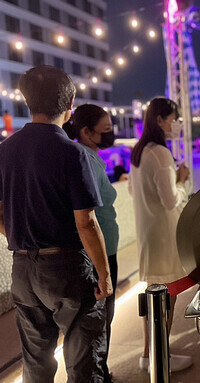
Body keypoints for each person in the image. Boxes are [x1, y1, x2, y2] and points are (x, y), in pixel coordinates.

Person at [0, 65, 112, 382]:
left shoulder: (4, 150)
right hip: (66, 269)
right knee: (83, 362)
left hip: (23, 269)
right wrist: (103, 274)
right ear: (70, 103)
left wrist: (25, 239)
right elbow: (86, 223)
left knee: (35, 363)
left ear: (26, 100)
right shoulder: (72, 153)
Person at [129, 97, 193, 373]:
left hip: (148, 234)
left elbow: (134, 192)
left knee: (153, 294)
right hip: (165, 236)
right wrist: (181, 178)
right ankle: (159, 354)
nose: (178, 124)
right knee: (169, 294)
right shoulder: (161, 154)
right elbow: (171, 200)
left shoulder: (140, 151)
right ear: (159, 120)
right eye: (174, 118)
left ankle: (149, 352)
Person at [63, 104, 119, 383]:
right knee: (98, 322)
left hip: (106, 248)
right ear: (86, 132)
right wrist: (103, 270)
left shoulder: (93, 157)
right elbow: (86, 218)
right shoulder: (83, 158)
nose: (111, 135)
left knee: (102, 321)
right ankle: (100, 375)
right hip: (100, 252)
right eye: (106, 130)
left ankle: (101, 371)